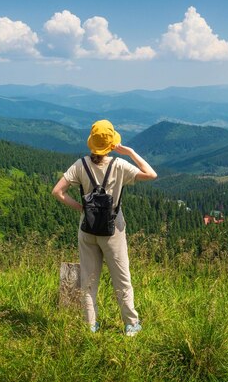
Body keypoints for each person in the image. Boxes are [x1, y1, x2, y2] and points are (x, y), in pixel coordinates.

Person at [52, 119, 157, 336]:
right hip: (113, 230)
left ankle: (90, 325)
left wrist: (81, 208)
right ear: (111, 144)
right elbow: (151, 174)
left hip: (87, 228)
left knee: (89, 280)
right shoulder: (119, 165)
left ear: (92, 143)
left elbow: (57, 192)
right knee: (122, 278)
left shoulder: (80, 165)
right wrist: (131, 152)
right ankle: (131, 324)